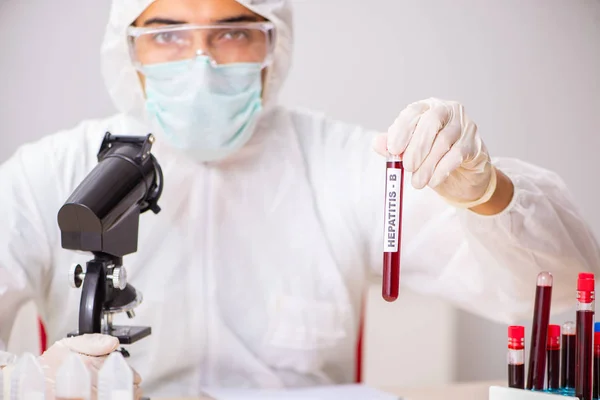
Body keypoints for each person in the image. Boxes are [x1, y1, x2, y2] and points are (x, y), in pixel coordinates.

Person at [1, 0, 599, 397]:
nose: (202, 61)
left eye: (234, 31)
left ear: (273, 46)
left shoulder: (343, 165)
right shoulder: (51, 173)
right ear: (128, 50)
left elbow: (570, 293)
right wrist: (34, 383)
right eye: (166, 32)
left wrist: (489, 194)